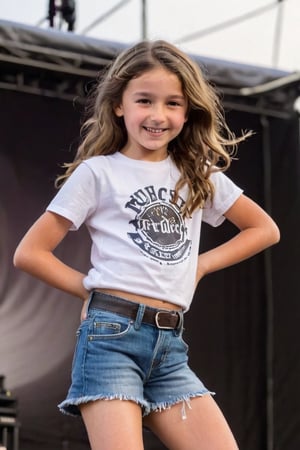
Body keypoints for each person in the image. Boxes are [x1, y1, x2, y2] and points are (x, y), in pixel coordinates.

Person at [13, 40, 280, 450]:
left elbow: (264, 229)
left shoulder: (196, 174)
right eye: (145, 100)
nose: (158, 115)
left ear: (187, 111)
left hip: (170, 346)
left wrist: (201, 265)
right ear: (119, 105)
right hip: (111, 338)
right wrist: (90, 289)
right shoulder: (98, 173)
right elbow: (30, 253)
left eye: (173, 103)